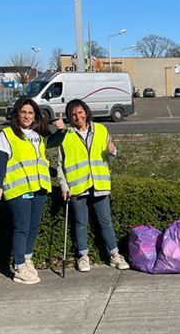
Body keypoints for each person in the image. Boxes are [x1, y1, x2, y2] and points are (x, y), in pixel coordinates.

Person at [0, 97, 65, 284]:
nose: (26, 116)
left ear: (35, 116)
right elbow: (0, 161)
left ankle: (27, 258)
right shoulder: (7, 134)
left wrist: (61, 129)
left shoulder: (37, 133)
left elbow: (53, 142)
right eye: (23, 112)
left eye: (30, 113)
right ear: (17, 113)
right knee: (22, 228)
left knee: (33, 227)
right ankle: (19, 267)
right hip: (19, 188)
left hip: (39, 187)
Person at [58, 99, 129, 272]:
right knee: (80, 223)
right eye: (73, 114)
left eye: (80, 112)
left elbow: (109, 157)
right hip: (77, 186)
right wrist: (64, 186)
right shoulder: (66, 135)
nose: (78, 116)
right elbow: (60, 164)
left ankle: (114, 255)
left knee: (106, 222)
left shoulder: (101, 130)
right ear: (69, 116)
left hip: (99, 183)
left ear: (86, 112)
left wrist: (113, 151)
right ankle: (83, 257)